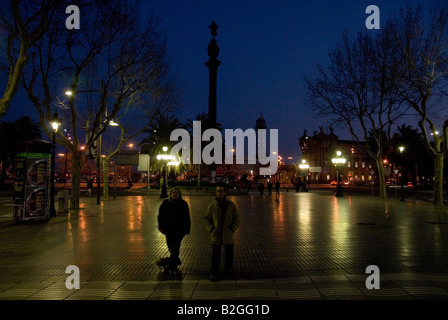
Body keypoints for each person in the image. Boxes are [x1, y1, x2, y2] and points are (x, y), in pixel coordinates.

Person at [204, 183, 240, 281]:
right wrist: (211, 228)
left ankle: (228, 270)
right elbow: (207, 218)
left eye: (221, 191)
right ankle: (214, 272)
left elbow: (236, 218)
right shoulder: (212, 205)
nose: (220, 193)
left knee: (229, 253)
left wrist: (233, 228)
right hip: (216, 233)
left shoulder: (231, 205)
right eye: (218, 191)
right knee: (215, 254)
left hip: (228, 233)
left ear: (225, 192)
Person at [158, 187, 191, 274]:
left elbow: (187, 217)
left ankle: (173, 266)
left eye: (177, 193)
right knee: (170, 246)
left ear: (180, 194)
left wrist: (187, 229)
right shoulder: (165, 203)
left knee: (176, 247)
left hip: (179, 230)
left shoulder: (183, 204)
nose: (175, 194)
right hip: (168, 230)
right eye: (173, 192)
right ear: (171, 194)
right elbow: (160, 215)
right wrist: (160, 227)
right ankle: (176, 261)